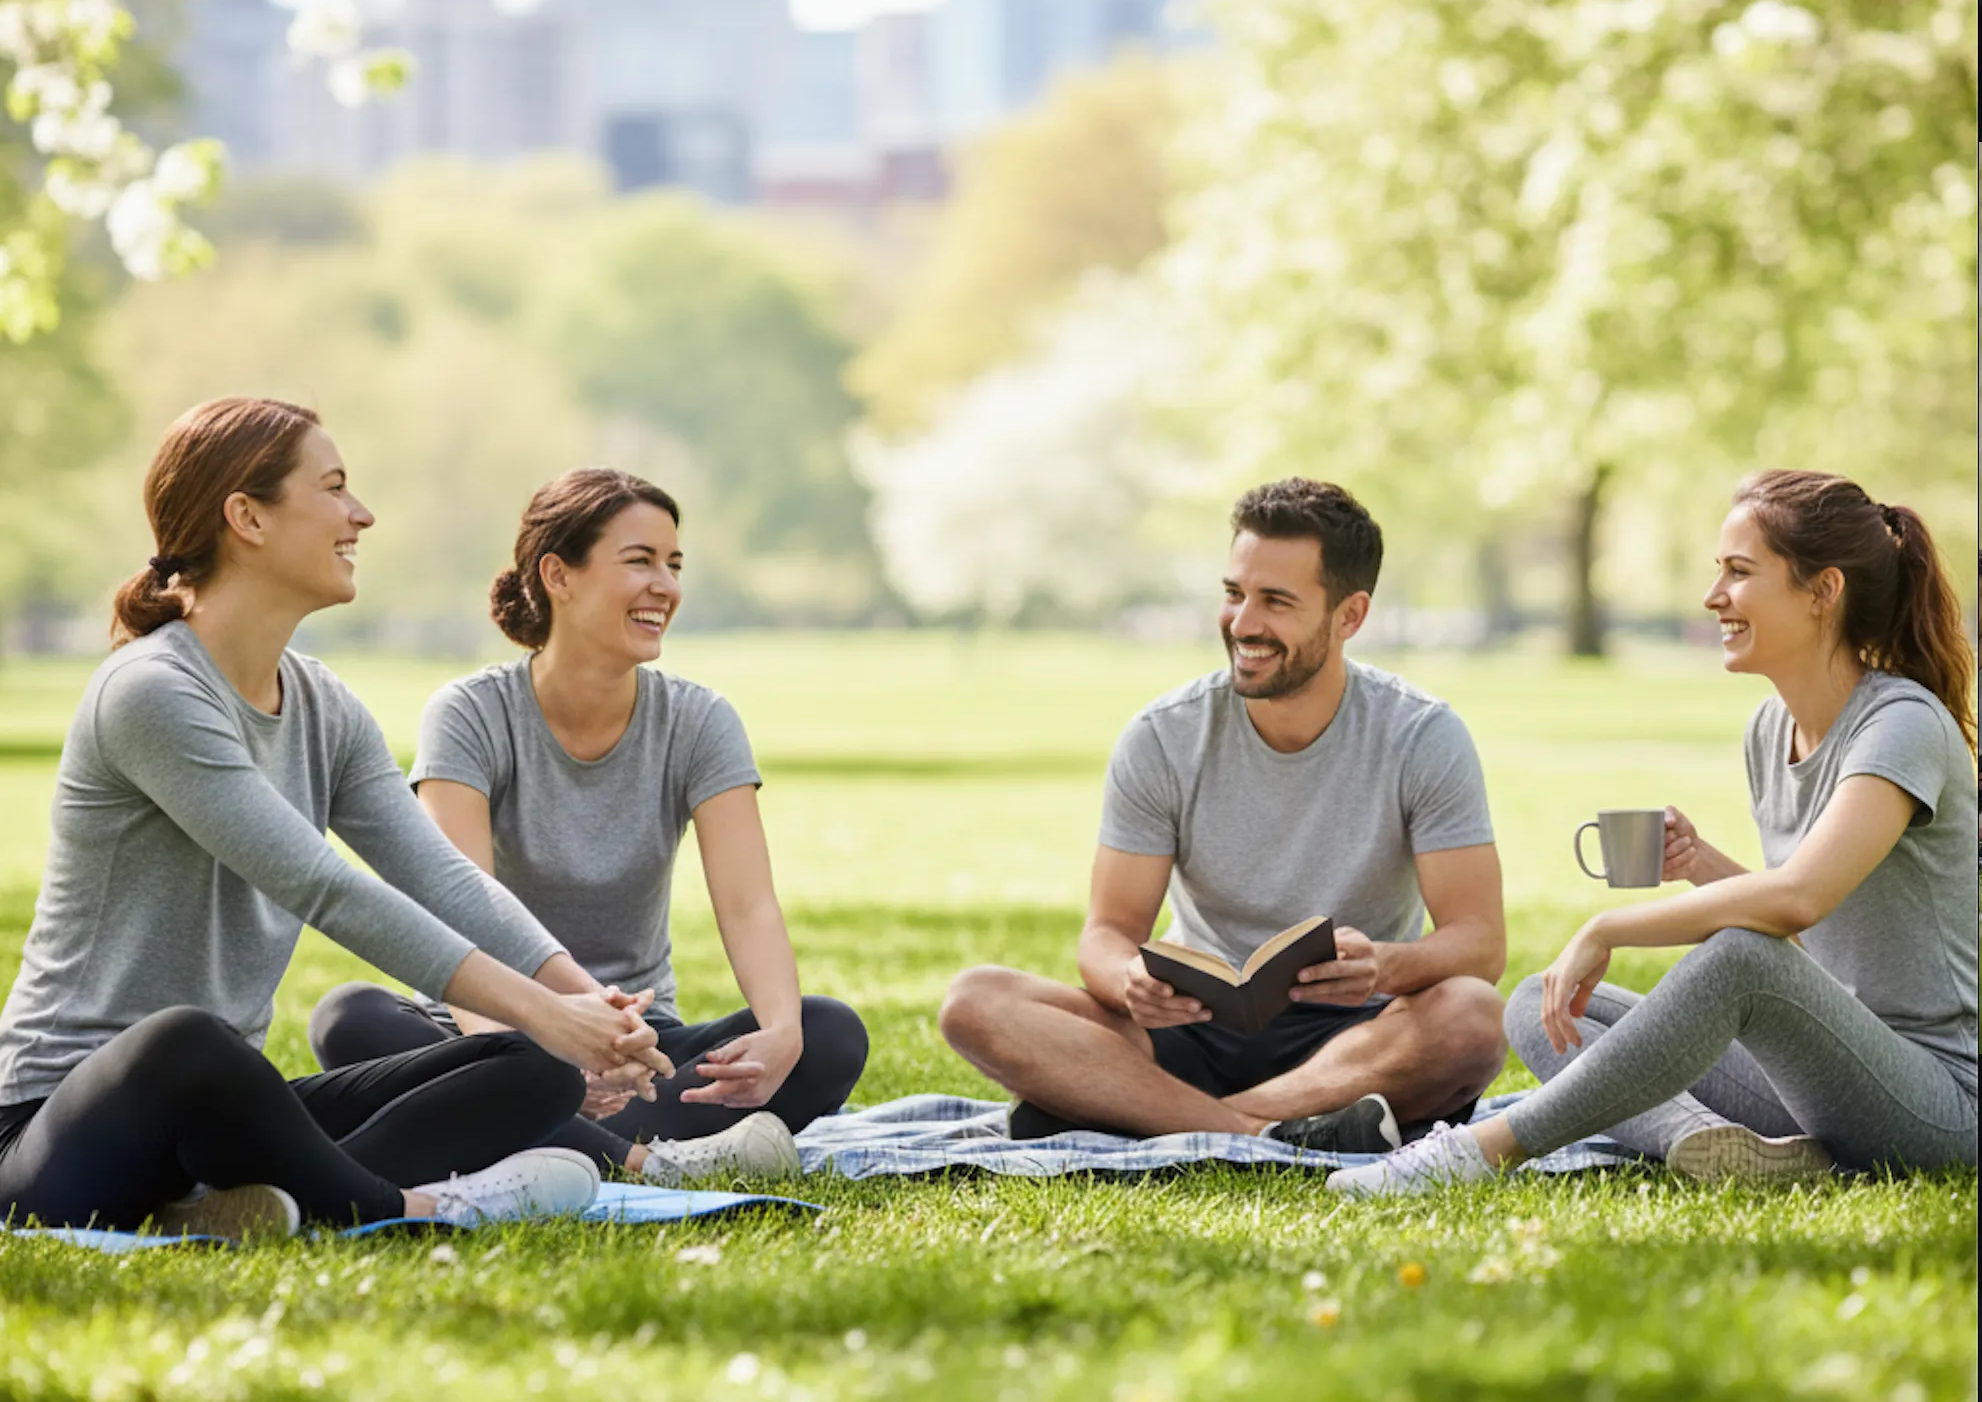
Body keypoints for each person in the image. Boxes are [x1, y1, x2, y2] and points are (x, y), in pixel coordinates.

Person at [0, 398, 675, 1239]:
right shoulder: (152, 694)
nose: (363, 514)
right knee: (186, 1044)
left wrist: (586, 1008)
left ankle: (252, 1202)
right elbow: (324, 887)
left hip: (222, 1114)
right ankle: (411, 1207)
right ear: (246, 516)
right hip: (56, 1124)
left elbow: (438, 876)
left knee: (532, 1071)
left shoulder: (322, 703)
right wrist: (545, 1012)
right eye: (334, 488)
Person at [1332, 471, 1979, 1195]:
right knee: (1548, 1002)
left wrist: (1611, 926)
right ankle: (1703, 1143)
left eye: (1739, 572)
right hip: (1824, 1078)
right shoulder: (1770, 730)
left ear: (1823, 591)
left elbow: (1798, 900)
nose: (1713, 597)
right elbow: (1815, 946)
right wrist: (1700, 862)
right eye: (1717, 572)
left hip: (1937, 1107)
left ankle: (1479, 1153)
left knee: (1739, 955)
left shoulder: (1903, 726)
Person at [309, 469, 868, 1183]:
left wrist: (782, 1033)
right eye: (639, 561)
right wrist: (530, 1049)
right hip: (487, 1032)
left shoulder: (699, 721)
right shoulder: (471, 715)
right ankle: (643, 1160)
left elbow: (748, 905)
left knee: (828, 1033)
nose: (664, 585)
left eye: (673, 565)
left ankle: (530, 1139)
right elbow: (455, 908)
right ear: (558, 576)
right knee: (349, 1017)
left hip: (641, 1048)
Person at [940, 478, 1509, 1153]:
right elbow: (1108, 932)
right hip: (1184, 1029)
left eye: (1276, 601)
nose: (1242, 624)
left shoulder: (1421, 736)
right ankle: (1274, 1132)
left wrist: (1383, 967)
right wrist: (1129, 980)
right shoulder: (1163, 736)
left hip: (1354, 1037)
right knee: (975, 1001)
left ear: (1350, 616)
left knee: (1474, 1018)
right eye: (1234, 593)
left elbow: (1479, 942)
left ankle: (1147, 1113)